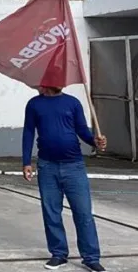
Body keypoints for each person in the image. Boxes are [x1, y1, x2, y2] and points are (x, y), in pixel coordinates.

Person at [22, 86, 108, 272]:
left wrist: (95, 141)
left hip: (74, 166)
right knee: (51, 212)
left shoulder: (73, 103)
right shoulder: (34, 104)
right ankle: (58, 254)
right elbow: (28, 132)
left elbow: (82, 131)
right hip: (47, 166)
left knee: (83, 213)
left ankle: (91, 257)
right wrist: (26, 162)